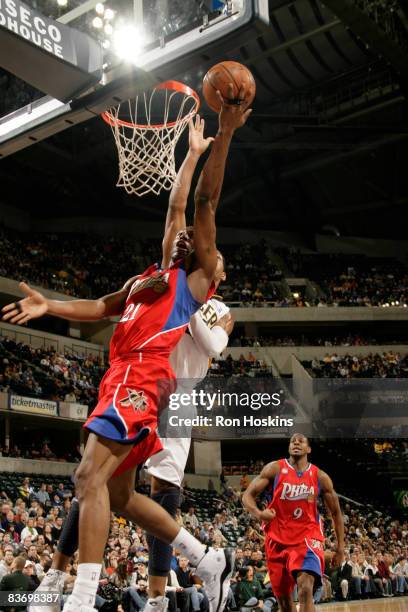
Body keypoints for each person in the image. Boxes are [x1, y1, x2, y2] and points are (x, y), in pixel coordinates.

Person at [7, 89, 251, 612]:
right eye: (182, 238)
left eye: (202, 245)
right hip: (119, 377)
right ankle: (206, 558)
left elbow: (203, 203)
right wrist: (47, 305)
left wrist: (224, 136)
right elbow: (100, 304)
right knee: (117, 497)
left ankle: (80, 597)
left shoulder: (196, 285)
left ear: (209, 265)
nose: (188, 238)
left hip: (144, 382)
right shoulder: (152, 276)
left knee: (85, 477)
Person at [242, 434, 344, 612]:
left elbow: (336, 513)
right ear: (289, 447)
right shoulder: (274, 469)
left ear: (308, 449)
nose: (296, 442)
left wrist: (340, 547)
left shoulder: (320, 476)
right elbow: (247, 496)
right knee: (285, 604)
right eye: (292, 441)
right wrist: (259, 513)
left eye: (301, 441)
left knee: (305, 587)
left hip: (307, 538)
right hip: (277, 540)